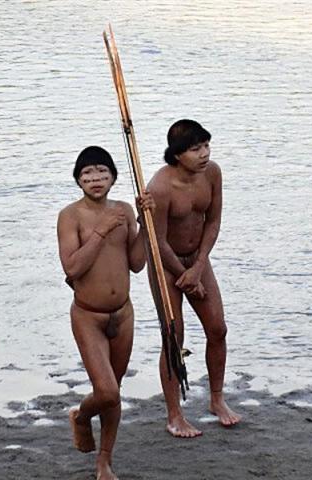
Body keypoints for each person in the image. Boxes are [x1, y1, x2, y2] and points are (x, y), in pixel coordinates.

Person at [57, 146, 154, 480]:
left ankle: (104, 461)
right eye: (87, 174)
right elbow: (72, 267)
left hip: (122, 314)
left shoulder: (124, 210)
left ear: (113, 176)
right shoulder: (71, 216)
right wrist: (101, 231)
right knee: (107, 391)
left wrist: (144, 223)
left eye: (102, 172)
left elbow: (138, 264)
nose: (95, 179)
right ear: (78, 180)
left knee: (115, 394)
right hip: (88, 314)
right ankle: (82, 418)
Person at [147, 119, 241, 438]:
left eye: (206, 146)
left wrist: (198, 266)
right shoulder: (159, 188)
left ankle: (216, 399)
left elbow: (213, 220)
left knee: (218, 328)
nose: (203, 154)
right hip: (165, 264)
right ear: (176, 155)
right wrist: (183, 274)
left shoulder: (212, 173)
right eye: (194, 149)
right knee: (175, 338)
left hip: (197, 260)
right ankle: (174, 414)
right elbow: (157, 241)